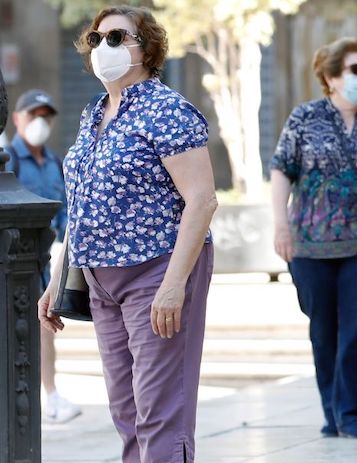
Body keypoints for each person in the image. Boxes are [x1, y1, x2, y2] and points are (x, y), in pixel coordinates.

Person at [37, 5, 217, 462]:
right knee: (125, 406)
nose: (103, 48)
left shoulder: (169, 111)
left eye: (117, 38)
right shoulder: (94, 114)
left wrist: (174, 285)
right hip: (100, 279)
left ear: (147, 48)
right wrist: (58, 281)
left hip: (155, 271)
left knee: (160, 408)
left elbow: (202, 201)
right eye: (97, 39)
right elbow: (81, 207)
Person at [269, 37, 357, 440]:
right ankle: (331, 411)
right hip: (310, 244)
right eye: (354, 70)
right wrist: (280, 225)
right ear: (331, 77)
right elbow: (282, 171)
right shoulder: (304, 117)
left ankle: (351, 414)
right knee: (324, 331)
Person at [8, 89, 81, 423]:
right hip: (14, 258)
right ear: (17, 118)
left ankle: (50, 395)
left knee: (44, 325)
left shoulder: (53, 162)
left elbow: (67, 206)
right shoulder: (8, 158)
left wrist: (62, 241)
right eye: (33, 115)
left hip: (48, 259)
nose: (39, 122)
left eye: (45, 116)